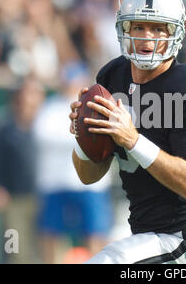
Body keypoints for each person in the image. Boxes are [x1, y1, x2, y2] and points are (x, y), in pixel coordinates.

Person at [68, 0, 186, 264]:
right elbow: (87, 176)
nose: (146, 37)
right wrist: (85, 133)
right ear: (123, 29)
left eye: (157, 28)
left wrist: (132, 139)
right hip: (146, 234)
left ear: (175, 33)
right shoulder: (112, 76)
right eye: (138, 27)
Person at [34, 62, 114, 264]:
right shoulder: (50, 108)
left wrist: (77, 136)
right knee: (51, 234)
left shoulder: (95, 106)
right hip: (56, 183)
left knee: (95, 233)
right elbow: (42, 135)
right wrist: (81, 137)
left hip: (91, 185)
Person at [0, 76, 45, 263]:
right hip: (14, 199)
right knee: (14, 249)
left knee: (45, 249)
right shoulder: (4, 127)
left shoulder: (48, 124)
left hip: (44, 197)